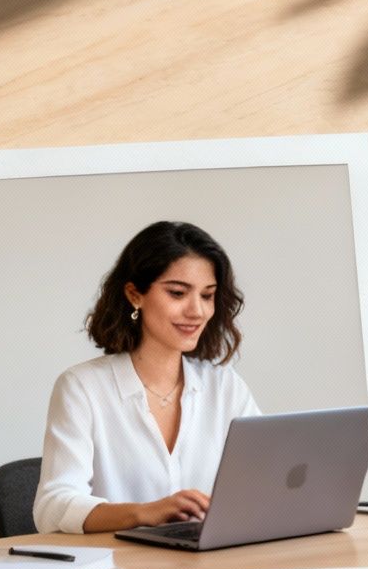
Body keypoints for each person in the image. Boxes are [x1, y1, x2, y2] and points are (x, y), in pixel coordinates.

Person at [32, 221, 260, 535]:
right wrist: (145, 513)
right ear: (135, 294)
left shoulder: (225, 387)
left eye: (207, 295)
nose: (197, 311)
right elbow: (52, 508)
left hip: (208, 557)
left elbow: (266, 481)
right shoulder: (82, 388)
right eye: (177, 293)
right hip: (118, 562)